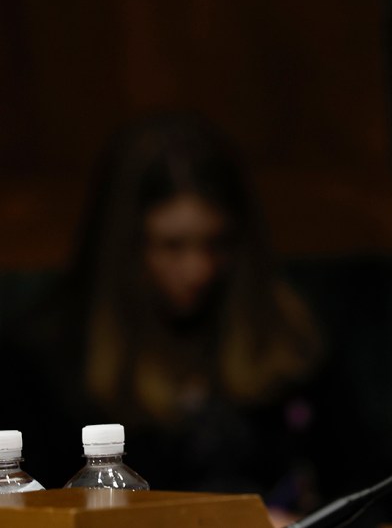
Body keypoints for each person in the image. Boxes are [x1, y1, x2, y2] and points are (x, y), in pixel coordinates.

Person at [11, 111, 324, 523]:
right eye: (172, 245)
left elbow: (366, 485)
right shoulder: (49, 357)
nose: (199, 271)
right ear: (125, 248)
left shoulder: (285, 337)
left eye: (217, 243)